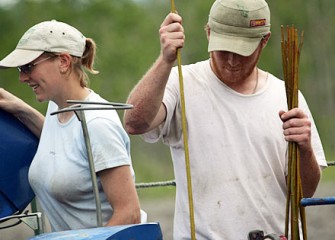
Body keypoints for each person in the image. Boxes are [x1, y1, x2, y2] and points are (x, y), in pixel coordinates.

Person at [124, 0, 327, 239]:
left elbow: (305, 192)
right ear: (208, 33)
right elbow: (134, 123)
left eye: (242, 51)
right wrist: (166, 60)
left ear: (264, 40)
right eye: (224, 49)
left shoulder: (288, 97)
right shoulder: (181, 82)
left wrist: (304, 148)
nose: (231, 60)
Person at [0, 20, 146, 232]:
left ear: (64, 62)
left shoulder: (98, 124)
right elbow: (66, 145)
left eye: (29, 66)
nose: (23, 77)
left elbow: (129, 213)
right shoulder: (56, 108)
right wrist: (19, 109)